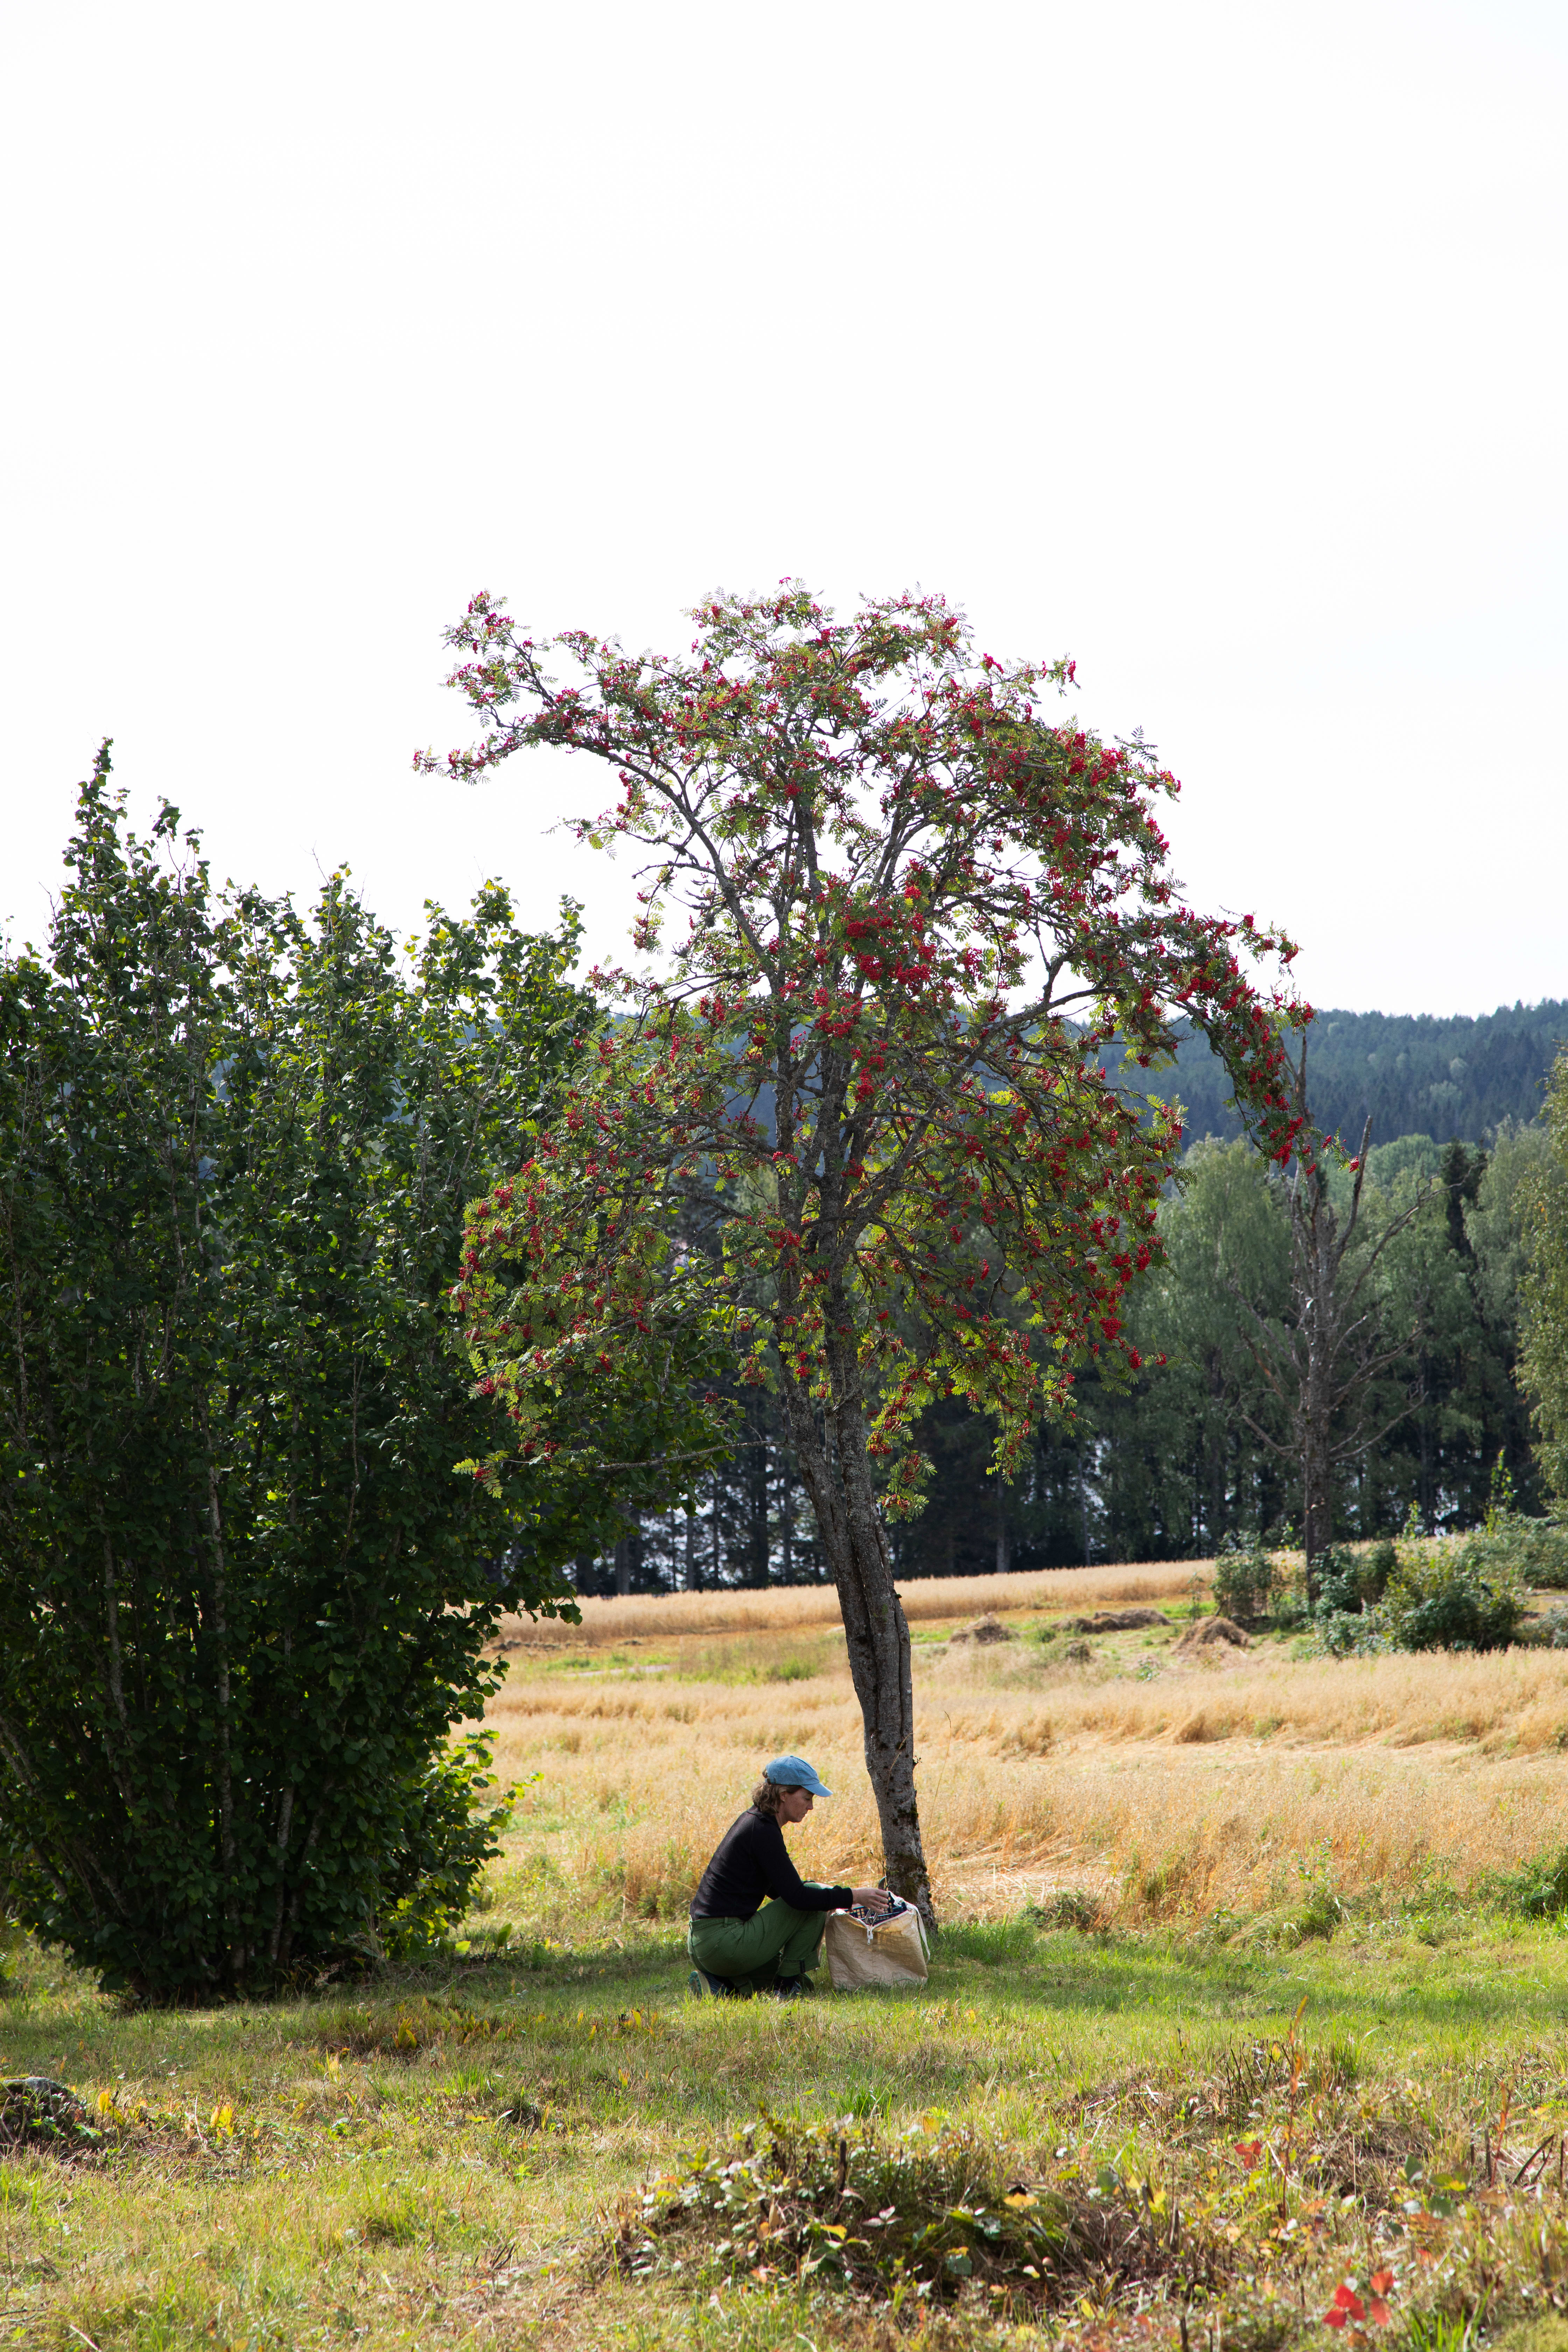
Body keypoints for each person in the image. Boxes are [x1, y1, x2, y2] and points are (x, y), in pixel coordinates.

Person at [687, 1754, 893, 2000]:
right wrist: (854, 1896)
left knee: (805, 1983)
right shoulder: (763, 1831)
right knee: (811, 1904)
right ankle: (784, 1991)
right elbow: (798, 1899)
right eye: (807, 1798)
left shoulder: (755, 1822)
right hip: (723, 1942)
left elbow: (780, 1890)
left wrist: (825, 1894)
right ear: (784, 1794)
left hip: (703, 1943)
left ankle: (718, 1985)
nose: (811, 1807)